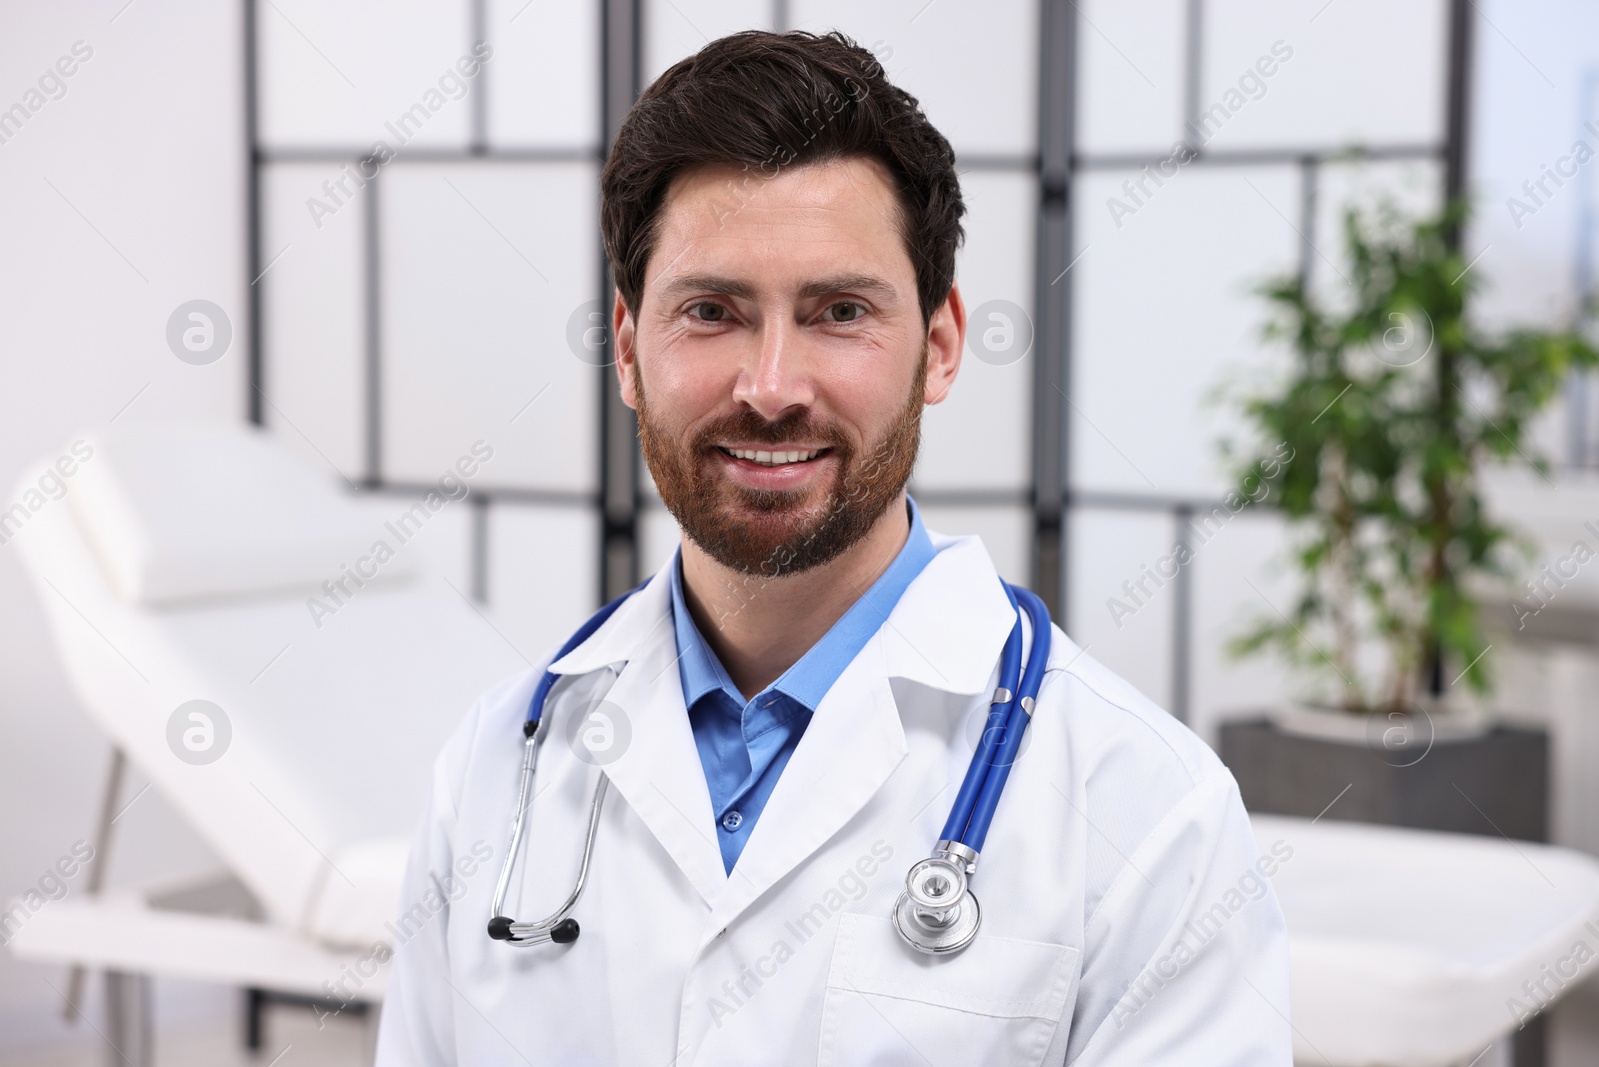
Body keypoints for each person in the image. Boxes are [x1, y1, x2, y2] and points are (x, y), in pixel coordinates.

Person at [375, 29, 1291, 1066]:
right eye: (711, 311)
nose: (771, 387)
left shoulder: (1148, 810)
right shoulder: (495, 770)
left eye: (839, 311)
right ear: (628, 350)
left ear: (939, 344)